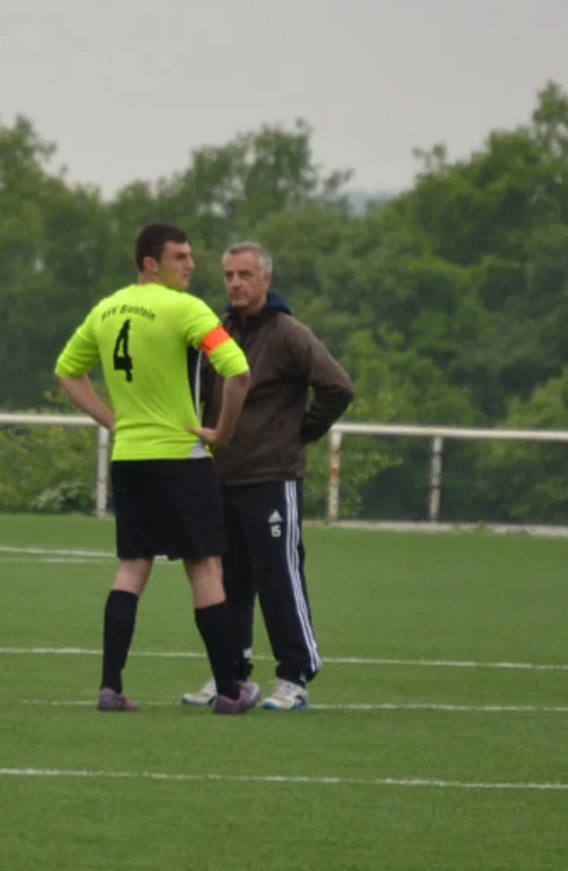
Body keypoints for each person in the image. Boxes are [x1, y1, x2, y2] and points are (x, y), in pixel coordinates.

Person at [54, 221, 260, 714]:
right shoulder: (186, 309)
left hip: (129, 458)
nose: (190, 265)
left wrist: (113, 422)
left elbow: (67, 371)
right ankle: (232, 691)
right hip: (181, 457)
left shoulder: (105, 309)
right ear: (150, 263)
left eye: (190, 256)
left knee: (131, 568)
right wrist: (223, 433)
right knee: (206, 568)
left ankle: (110, 687)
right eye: (179, 258)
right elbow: (239, 372)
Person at [184, 242, 354, 711]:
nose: (235, 283)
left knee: (279, 576)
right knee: (229, 580)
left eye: (244, 274)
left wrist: (298, 434)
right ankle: (231, 674)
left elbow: (338, 387)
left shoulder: (288, 334)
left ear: (266, 280)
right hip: (224, 476)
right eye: (228, 275)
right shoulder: (218, 332)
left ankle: (295, 676)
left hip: (271, 477)